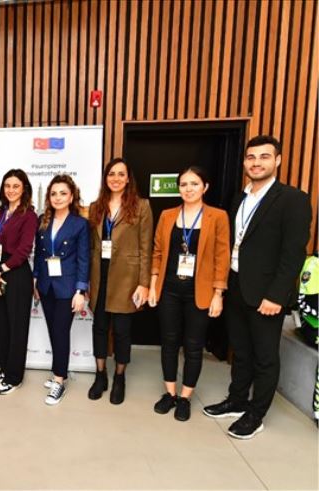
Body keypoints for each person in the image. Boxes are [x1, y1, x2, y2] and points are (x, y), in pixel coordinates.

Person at [203, 135, 311, 439]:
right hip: (237, 285)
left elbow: (293, 254)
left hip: (267, 294)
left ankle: (256, 414)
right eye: (251, 157)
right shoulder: (240, 198)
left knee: (265, 357)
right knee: (241, 350)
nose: (256, 163)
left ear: (277, 160)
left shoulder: (292, 199)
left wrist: (277, 295)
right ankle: (237, 400)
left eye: (264, 157)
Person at [148, 166, 230, 421]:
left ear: (205, 187)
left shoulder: (217, 216)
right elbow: (157, 252)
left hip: (200, 291)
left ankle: (185, 398)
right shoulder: (167, 215)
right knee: (169, 343)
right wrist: (153, 284)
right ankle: (170, 394)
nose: (188, 189)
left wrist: (218, 293)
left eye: (194, 184)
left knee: (194, 346)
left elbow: (222, 257)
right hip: (169, 290)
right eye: (183, 184)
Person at [86, 158, 152, 405]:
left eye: (121, 174)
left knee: (122, 331)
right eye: (111, 174)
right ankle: (100, 374)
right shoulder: (96, 207)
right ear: (106, 178)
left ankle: (120, 377)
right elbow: (91, 246)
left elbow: (146, 248)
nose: (115, 178)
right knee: (99, 328)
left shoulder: (141, 206)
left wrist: (144, 283)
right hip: (99, 275)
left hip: (127, 278)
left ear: (128, 178)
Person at [33, 174, 90, 405]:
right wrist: (36, 280)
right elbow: (39, 254)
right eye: (54, 193)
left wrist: (80, 291)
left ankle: (59, 380)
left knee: (60, 331)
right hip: (46, 285)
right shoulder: (42, 220)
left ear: (71, 196)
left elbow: (84, 259)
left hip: (68, 288)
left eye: (63, 193)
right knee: (53, 330)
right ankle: (59, 371)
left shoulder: (80, 224)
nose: (58, 197)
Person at [0, 169, 37, 395]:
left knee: (17, 327)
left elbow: (24, 250)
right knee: (1, 324)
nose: (11, 190)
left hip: (16, 273)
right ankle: (5, 367)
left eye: (16, 186)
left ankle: (14, 377)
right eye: (7, 186)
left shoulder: (29, 216)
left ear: (24, 189)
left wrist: (0, 270)